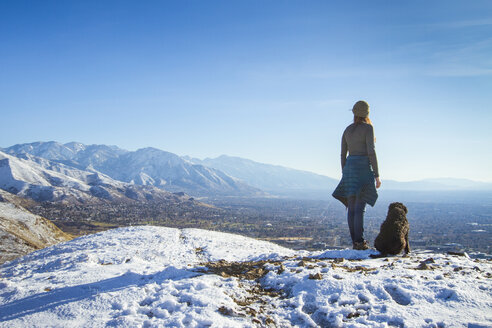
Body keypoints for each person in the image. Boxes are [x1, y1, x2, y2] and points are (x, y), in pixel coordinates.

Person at [332, 100, 381, 250]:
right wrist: (377, 175)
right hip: (362, 169)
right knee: (360, 207)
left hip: (349, 169)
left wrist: (344, 172)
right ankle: (359, 242)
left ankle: (355, 242)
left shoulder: (347, 130)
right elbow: (371, 151)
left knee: (352, 206)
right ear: (366, 113)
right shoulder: (368, 128)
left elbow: (342, 154)